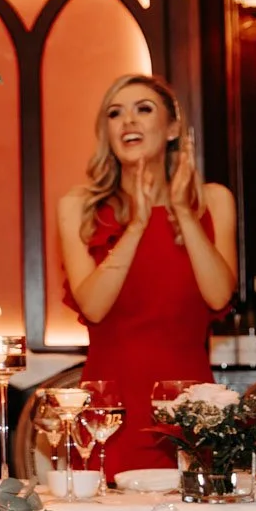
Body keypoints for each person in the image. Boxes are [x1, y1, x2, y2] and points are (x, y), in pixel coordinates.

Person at [59, 74, 236, 476]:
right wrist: (137, 225)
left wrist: (182, 210)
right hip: (111, 413)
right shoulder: (79, 206)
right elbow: (94, 306)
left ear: (172, 128)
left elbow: (218, 295)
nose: (128, 121)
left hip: (191, 409)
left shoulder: (213, 200)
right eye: (115, 113)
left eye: (143, 109)